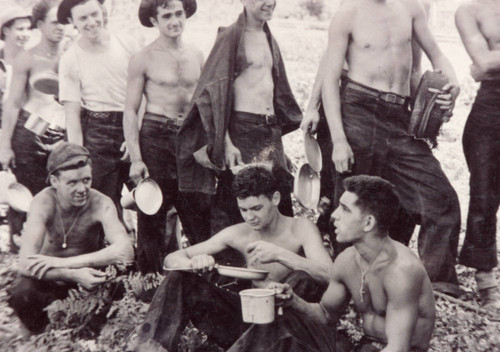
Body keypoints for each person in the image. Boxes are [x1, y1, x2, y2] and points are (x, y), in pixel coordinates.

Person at [319, 0, 462, 296]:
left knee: (440, 198)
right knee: (353, 203)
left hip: (401, 117)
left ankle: (439, 285)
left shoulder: (411, 7)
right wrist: (340, 140)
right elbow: (330, 80)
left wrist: (453, 86)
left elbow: (438, 55)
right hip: (357, 110)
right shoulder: (348, 13)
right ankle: (347, 285)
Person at [134, 165, 332, 351]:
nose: (250, 217)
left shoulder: (301, 228)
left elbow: (329, 275)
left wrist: (281, 255)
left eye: (256, 208)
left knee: (301, 278)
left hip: (291, 327)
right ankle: (147, 348)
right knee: (180, 278)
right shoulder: (238, 233)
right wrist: (193, 263)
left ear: (276, 198)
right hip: (249, 321)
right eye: (243, 210)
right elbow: (172, 259)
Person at [229, 175, 436, 352]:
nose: (334, 215)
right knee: (286, 324)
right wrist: (292, 300)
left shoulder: (401, 270)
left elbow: (398, 348)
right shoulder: (347, 260)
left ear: (368, 223)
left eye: (345, 210)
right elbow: (326, 314)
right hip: (365, 345)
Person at [176, 0, 302, 244]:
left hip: (268, 132)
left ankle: (280, 266)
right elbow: (211, 92)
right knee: (239, 204)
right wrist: (225, 141)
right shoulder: (232, 37)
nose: (270, 3)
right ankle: (231, 269)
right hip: (241, 131)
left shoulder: (268, 36)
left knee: (276, 200)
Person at [7, 142, 134, 334]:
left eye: (86, 180)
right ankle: (38, 335)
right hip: (50, 281)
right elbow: (25, 264)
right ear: (54, 181)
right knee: (22, 292)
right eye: (72, 182)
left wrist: (68, 264)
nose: (82, 188)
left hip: (88, 282)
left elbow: (126, 252)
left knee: (123, 283)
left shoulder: (101, 203)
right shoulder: (43, 202)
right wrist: (71, 273)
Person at [123, 0, 202, 274]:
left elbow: (205, 105)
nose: (174, 21)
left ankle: (200, 275)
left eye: (179, 13)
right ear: (154, 21)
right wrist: (136, 157)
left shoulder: (196, 54)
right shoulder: (143, 58)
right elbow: (131, 111)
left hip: (190, 138)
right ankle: (148, 280)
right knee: (152, 209)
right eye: (166, 15)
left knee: (195, 205)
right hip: (156, 135)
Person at [57, 0, 139, 207]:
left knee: (150, 197)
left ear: (102, 11)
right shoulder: (70, 59)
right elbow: (72, 115)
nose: (91, 22)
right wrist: (78, 159)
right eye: (82, 18)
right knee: (103, 202)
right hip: (98, 132)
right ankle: (111, 239)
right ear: (71, 21)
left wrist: (134, 135)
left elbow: (144, 92)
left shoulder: (127, 44)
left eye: (94, 14)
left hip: (134, 124)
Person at [455, 0, 500, 309]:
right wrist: (483, 65)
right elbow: (482, 64)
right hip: (491, 107)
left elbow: (487, 64)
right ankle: (488, 284)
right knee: (484, 195)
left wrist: (488, 63)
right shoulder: (468, 11)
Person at [0, 0, 66, 199]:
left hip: (62, 137)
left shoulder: (72, 56)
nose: (60, 26)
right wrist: (5, 147)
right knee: (26, 202)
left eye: (64, 21)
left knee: (61, 204)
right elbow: (12, 104)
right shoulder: (27, 58)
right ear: (40, 25)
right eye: (55, 22)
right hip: (29, 137)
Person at [0, 4, 31, 122]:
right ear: (6, 30)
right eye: (20, 29)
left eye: (28, 29)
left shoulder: (33, 62)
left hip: (26, 130)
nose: (26, 34)